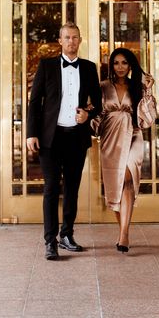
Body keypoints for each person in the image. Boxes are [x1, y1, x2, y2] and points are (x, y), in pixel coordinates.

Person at [26, 22, 102, 261]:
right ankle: (50, 241)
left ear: (80, 41)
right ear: (60, 41)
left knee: (72, 188)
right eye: (67, 38)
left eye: (75, 38)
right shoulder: (46, 66)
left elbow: (98, 103)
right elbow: (34, 102)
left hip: (76, 137)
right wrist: (31, 133)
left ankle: (67, 235)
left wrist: (87, 114)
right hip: (50, 137)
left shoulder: (89, 68)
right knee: (51, 188)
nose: (71, 41)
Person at [93, 47, 157, 252]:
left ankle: (124, 234)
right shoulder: (102, 87)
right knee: (116, 184)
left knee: (128, 179)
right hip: (111, 138)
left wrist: (148, 90)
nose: (120, 67)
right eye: (116, 63)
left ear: (131, 66)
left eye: (125, 63)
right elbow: (96, 115)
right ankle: (122, 230)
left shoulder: (137, 87)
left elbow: (148, 118)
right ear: (111, 65)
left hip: (133, 135)